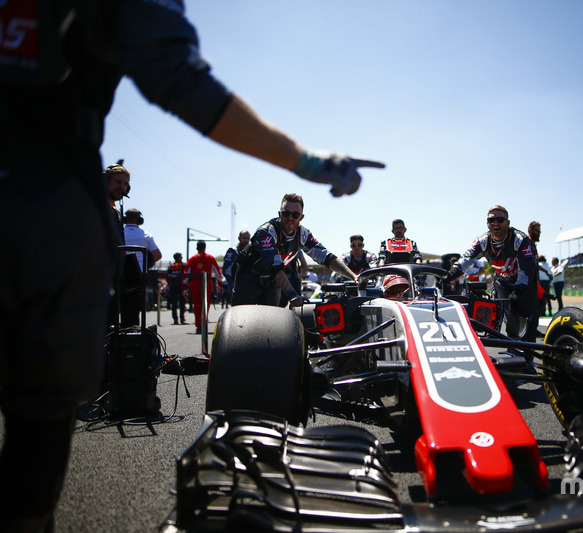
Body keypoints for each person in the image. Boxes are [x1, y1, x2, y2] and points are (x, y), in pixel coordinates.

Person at [0, 2, 385, 528]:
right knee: (40, 402)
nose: (293, 215)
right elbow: (176, 78)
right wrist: (308, 162)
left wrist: (352, 274)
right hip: (51, 207)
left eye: (298, 210)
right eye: (289, 209)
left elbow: (323, 254)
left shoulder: (304, 230)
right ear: (281, 211)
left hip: (41, 203)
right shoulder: (271, 232)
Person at [233, 194, 357, 307]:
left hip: (272, 280)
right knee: (241, 323)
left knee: (272, 323)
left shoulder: (303, 234)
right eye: (286, 213)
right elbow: (274, 266)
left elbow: (326, 257)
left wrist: (354, 277)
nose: (290, 218)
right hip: (249, 279)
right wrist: (293, 295)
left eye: (295, 215)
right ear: (279, 213)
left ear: (301, 217)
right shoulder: (266, 232)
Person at [445, 206, 538, 339]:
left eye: (500, 220)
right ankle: (512, 349)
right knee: (509, 317)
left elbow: (527, 268)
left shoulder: (520, 239)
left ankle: (528, 354)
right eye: (491, 220)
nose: (495, 223)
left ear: (508, 222)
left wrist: (519, 289)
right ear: (487, 223)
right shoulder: (482, 241)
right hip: (502, 281)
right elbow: (465, 259)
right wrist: (449, 275)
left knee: (528, 320)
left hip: (524, 282)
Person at [120, 208, 162, 326]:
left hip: (120, 274)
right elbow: (157, 255)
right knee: (133, 312)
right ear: (140, 220)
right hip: (138, 276)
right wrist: (144, 264)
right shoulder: (146, 235)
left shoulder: (119, 232)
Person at [222, 230, 250, 308]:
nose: (246, 240)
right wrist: (232, 284)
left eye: (248, 238)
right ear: (239, 238)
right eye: (244, 238)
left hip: (249, 286)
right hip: (236, 287)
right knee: (237, 310)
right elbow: (226, 269)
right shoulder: (233, 251)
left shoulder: (251, 250)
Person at [167, 253, 188, 325]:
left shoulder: (171, 266)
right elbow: (186, 275)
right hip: (181, 287)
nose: (181, 258)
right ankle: (182, 319)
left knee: (174, 304)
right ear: (178, 258)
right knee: (182, 303)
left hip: (173, 287)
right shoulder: (183, 265)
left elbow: (168, 278)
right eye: (181, 257)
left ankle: (175, 319)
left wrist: (170, 286)